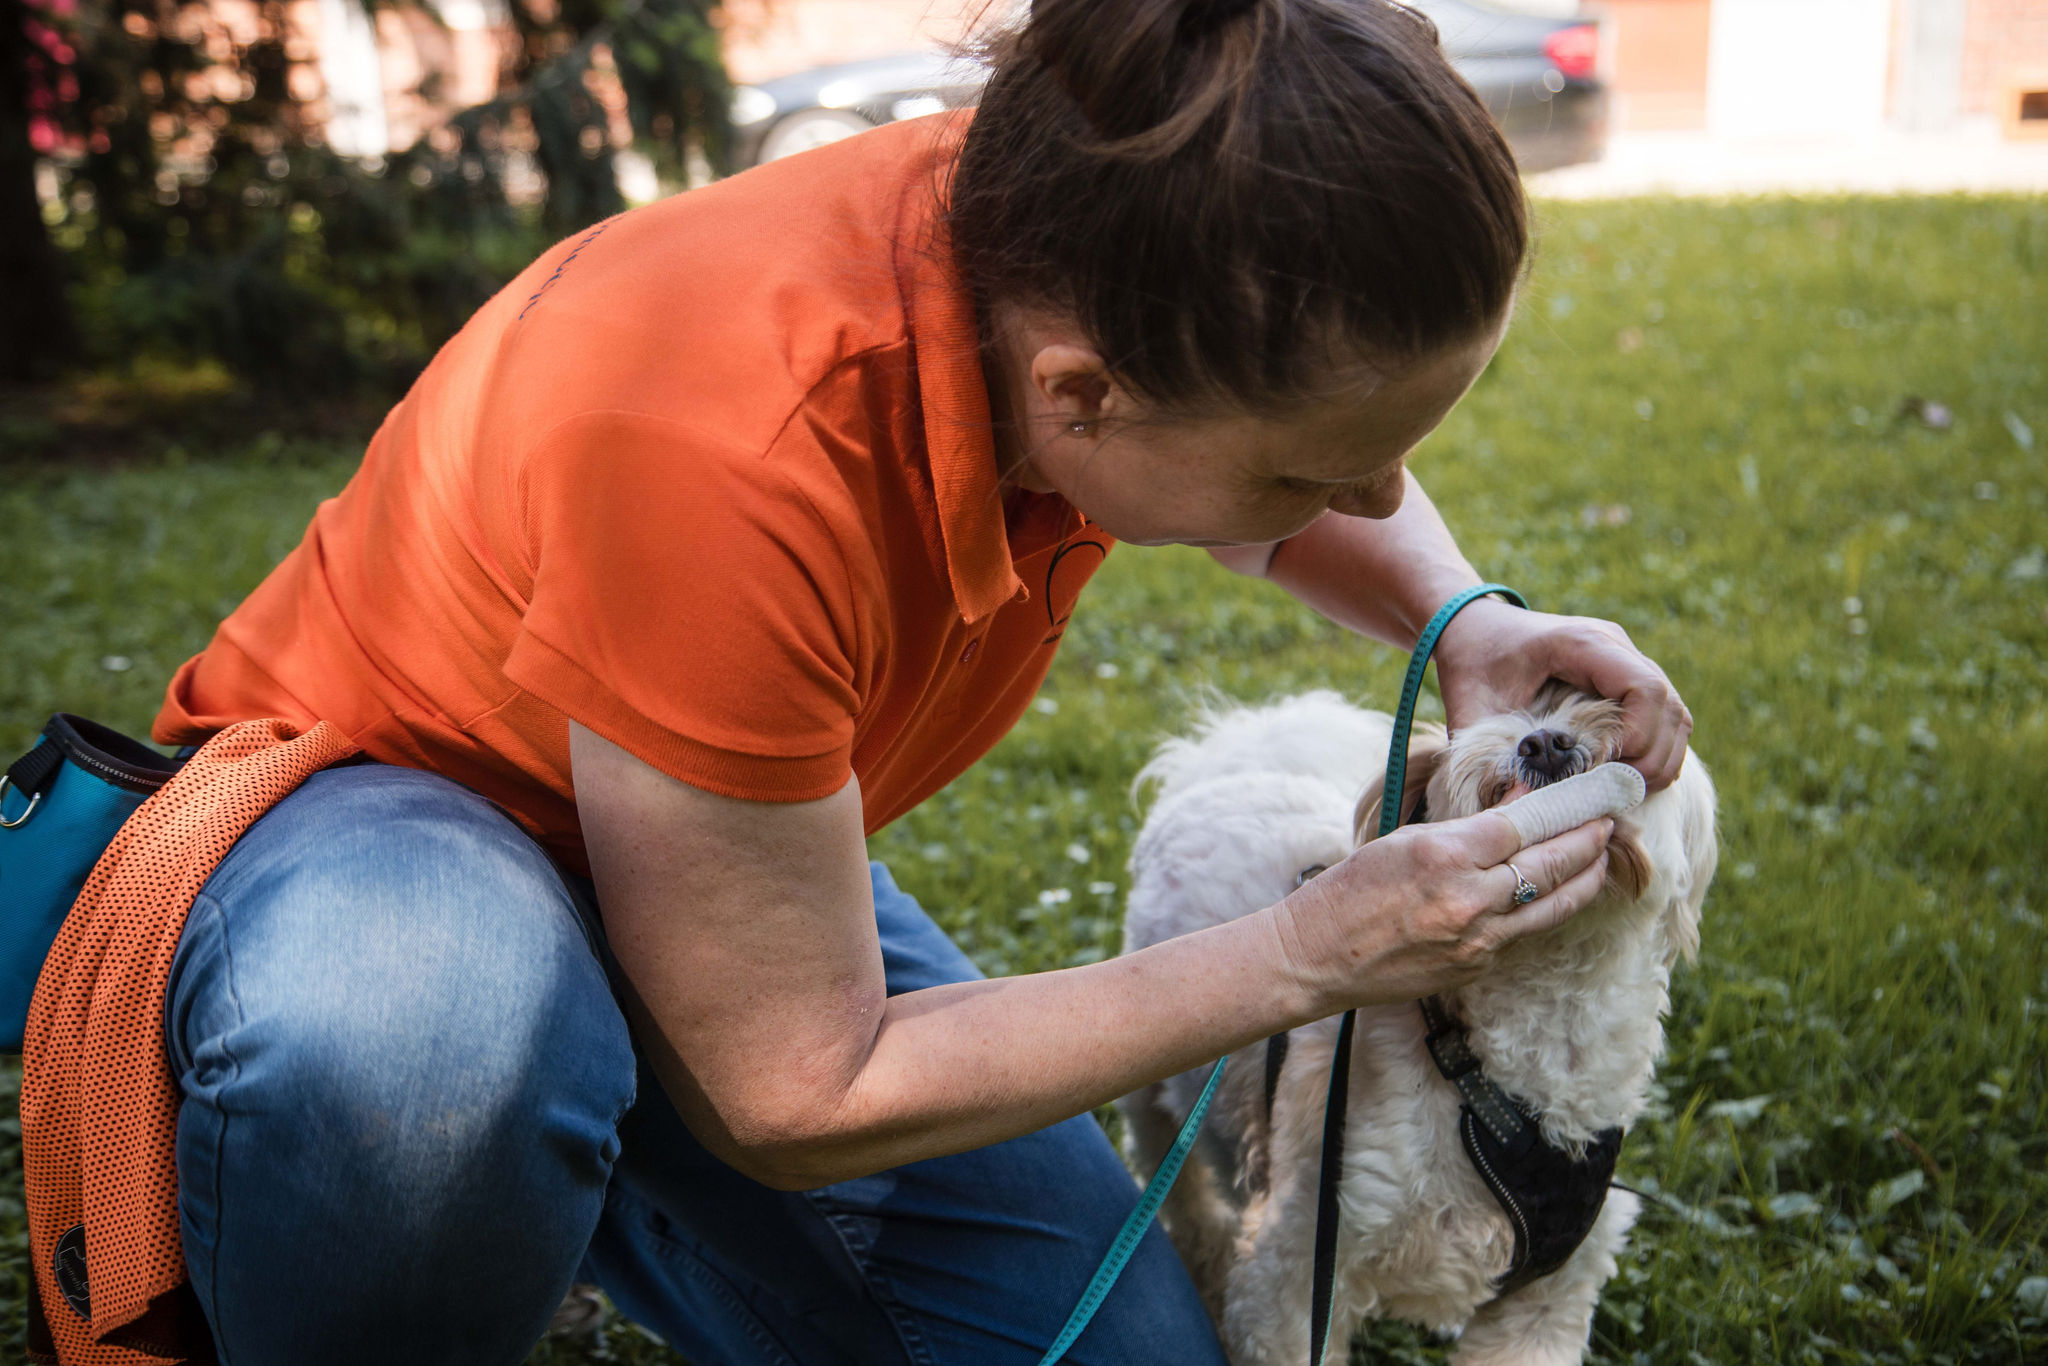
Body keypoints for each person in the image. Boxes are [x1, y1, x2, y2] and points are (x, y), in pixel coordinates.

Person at [149, 0, 1692, 1361]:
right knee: (430, 1036)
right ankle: (437, 1180)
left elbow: (1267, 453)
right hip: (375, 830)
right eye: (1312, 473)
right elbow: (798, 1090)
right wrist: (1305, 949)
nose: (1374, 505)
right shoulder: (732, 455)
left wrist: (1462, 618)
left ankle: (573, 1135)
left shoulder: (1089, 232)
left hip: (701, 849)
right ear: (1081, 397)